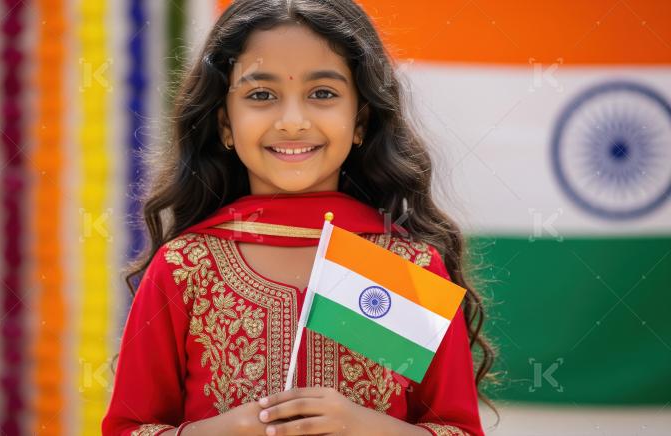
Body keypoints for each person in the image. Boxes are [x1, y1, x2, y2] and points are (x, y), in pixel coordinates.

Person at [102, 1, 496, 435]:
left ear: (360, 119)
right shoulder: (184, 269)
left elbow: (457, 429)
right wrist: (223, 430)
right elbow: (127, 428)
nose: (292, 121)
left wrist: (365, 427)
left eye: (322, 94)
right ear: (226, 124)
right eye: (261, 95)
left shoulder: (406, 268)